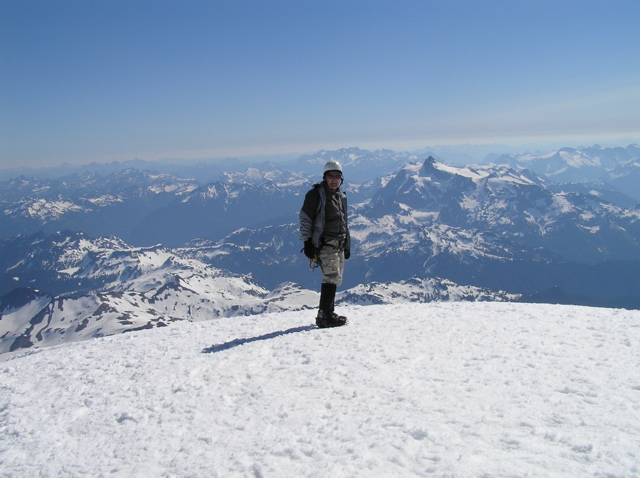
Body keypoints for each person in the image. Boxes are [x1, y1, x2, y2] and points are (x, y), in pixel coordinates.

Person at [299, 160, 351, 328]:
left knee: (335, 278)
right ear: (325, 177)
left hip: (339, 244)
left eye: (337, 176)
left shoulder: (340, 196)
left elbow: (344, 222)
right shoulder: (315, 195)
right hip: (326, 243)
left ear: (341, 179)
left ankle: (328, 313)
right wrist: (307, 241)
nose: (334, 180)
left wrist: (347, 243)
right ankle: (324, 317)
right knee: (331, 277)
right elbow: (305, 219)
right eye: (331, 176)